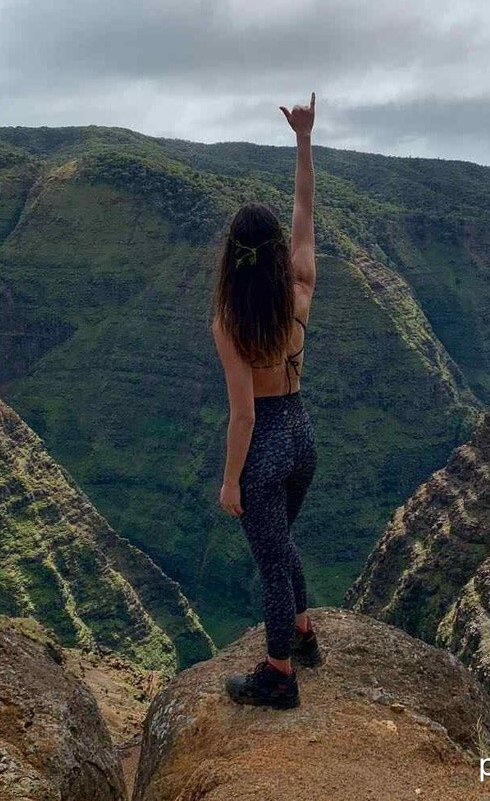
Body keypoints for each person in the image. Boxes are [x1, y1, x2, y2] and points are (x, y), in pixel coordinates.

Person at [210, 91, 323, 711]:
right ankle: (302, 635)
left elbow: (244, 413)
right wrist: (303, 141)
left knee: (271, 563)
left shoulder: (230, 324)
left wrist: (232, 481)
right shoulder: (299, 292)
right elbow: (304, 211)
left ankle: (279, 674)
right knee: (282, 544)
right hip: (302, 438)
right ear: (278, 252)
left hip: (264, 451)